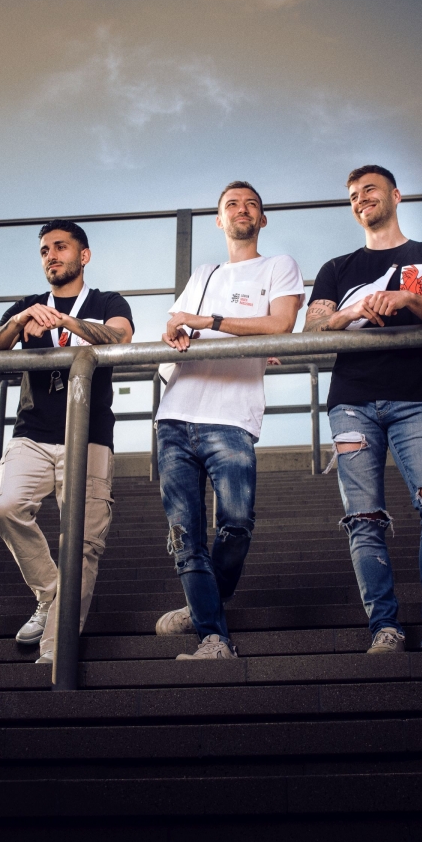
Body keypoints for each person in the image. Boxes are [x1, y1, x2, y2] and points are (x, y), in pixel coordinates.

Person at [305, 164, 422, 654]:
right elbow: (310, 332)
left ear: (395, 196)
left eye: (370, 190)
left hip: (416, 399)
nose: (361, 199)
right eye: (353, 195)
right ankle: (385, 627)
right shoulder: (337, 268)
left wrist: (408, 299)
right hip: (351, 403)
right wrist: (351, 312)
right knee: (364, 518)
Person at [154, 181, 305, 659]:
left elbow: (280, 324)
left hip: (231, 419)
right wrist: (177, 328)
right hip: (176, 416)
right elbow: (175, 320)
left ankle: (203, 604)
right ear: (219, 220)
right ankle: (213, 637)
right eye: (232, 205)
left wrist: (211, 322)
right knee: (185, 535)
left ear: (262, 219)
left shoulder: (278, 266)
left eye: (252, 204)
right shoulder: (205, 273)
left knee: (236, 524)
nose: (243, 209)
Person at [0, 219, 134, 664]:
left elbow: (121, 336)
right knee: (6, 504)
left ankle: (54, 651)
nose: (51, 255)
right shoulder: (28, 306)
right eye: (45, 250)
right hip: (32, 432)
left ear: (83, 256)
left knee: (81, 543)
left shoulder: (106, 301)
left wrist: (67, 321)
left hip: (88, 436)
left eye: (61, 247)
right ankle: (50, 593)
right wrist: (19, 321)